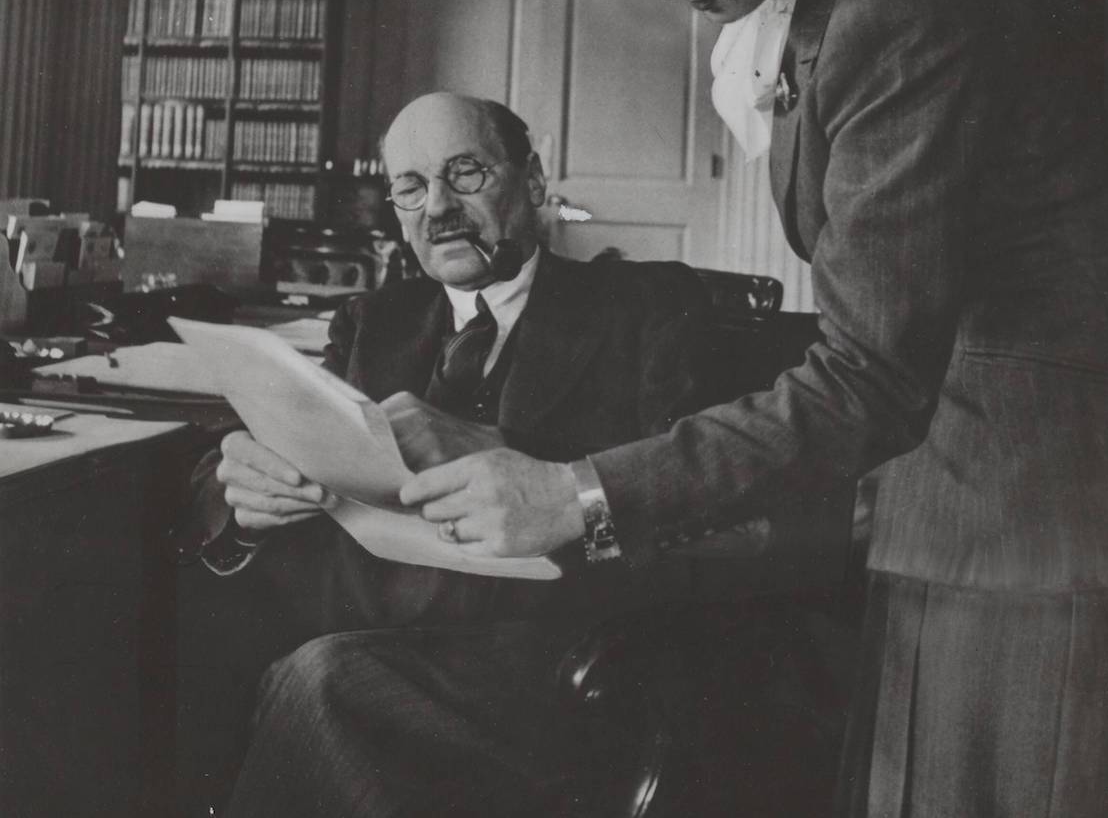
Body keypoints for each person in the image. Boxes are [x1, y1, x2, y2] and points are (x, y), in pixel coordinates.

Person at [227, 0, 1108, 818]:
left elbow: (870, 373)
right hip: (968, 475)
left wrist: (575, 493)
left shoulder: (896, 11)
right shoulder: (831, 1)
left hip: (1056, 499)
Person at [178, 92, 735, 816]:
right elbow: (238, 472)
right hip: (372, 634)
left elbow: (701, 509)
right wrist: (246, 496)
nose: (436, 206)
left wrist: (525, 459)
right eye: (410, 186)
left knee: (323, 684)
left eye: (465, 173)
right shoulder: (375, 318)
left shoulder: (643, 304)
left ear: (532, 183)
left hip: (550, 662)